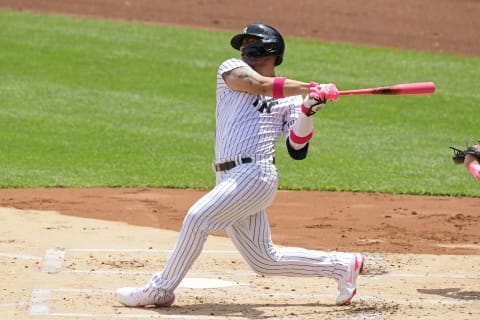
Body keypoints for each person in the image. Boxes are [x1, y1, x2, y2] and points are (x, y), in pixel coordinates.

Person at [115, 23, 365, 308]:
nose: (244, 48)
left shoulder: (292, 100)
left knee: (197, 218)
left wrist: (308, 109)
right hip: (228, 178)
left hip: (255, 175)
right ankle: (341, 265)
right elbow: (259, 85)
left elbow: (297, 148)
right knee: (264, 260)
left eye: (250, 42)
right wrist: (312, 87)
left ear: (268, 48)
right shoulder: (232, 69)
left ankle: (160, 290)